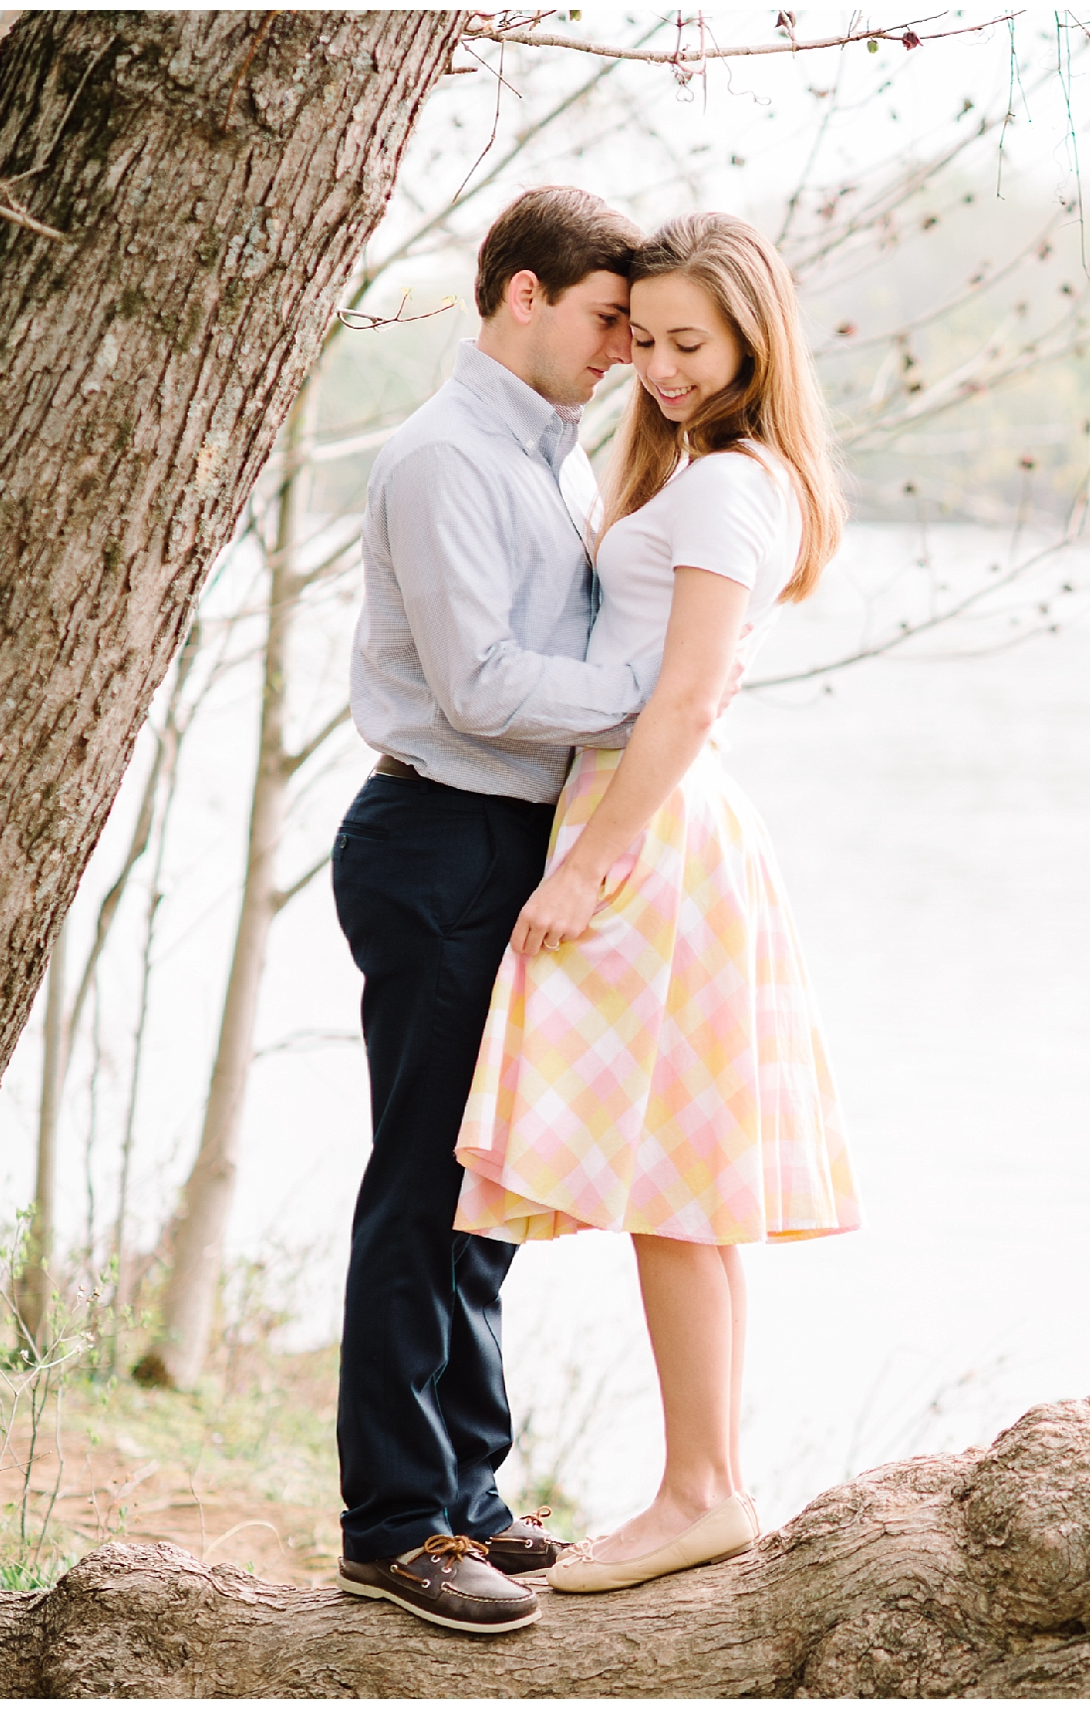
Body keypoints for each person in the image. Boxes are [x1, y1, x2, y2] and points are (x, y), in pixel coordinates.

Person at [450, 210, 860, 1597]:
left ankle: (699, 1487)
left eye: (692, 343)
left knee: (675, 1184)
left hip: (653, 827)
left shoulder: (730, 486)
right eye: (646, 340)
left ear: (754, 338)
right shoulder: (696, 469)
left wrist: (591, 861)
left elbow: (680, 697)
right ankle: (710, 1480)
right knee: (676, 1185)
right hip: (658, 818)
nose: (664, 368)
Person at [330, 186, 654, 1636]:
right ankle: (394, 1524)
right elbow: (481, 686)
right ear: (522, 294)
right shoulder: (444, 459)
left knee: (484, 1191)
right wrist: (665, 705)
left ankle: (467, 1487)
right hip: (437, 837)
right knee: (419, 1182)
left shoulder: (558, 464)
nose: (623, 353)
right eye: (606, 321)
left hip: (511, 843)